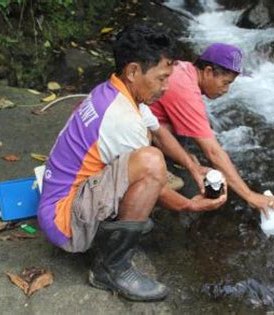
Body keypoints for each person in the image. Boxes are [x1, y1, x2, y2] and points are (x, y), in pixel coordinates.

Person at [37, 24, 226, 302]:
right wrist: (189, 205)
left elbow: (158, 129)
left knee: (149, 155)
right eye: (162, 78)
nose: (166, 87)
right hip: (64, 222)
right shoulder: (121, 119)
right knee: (151, 162)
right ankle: (111, 268)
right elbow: (154, 181)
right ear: (134, 71)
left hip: (61, 197)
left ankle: (114, 227)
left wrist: (193, 167)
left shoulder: (114, 91)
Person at [150, 43, 274, 218]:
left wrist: (186, 158)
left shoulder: (184, 69)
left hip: (149, 122)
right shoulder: (185, 92)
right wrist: (250, 196)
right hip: (135, 130)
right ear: (208, 71)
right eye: (225, 82)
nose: (226, 90)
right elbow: (213, 151)